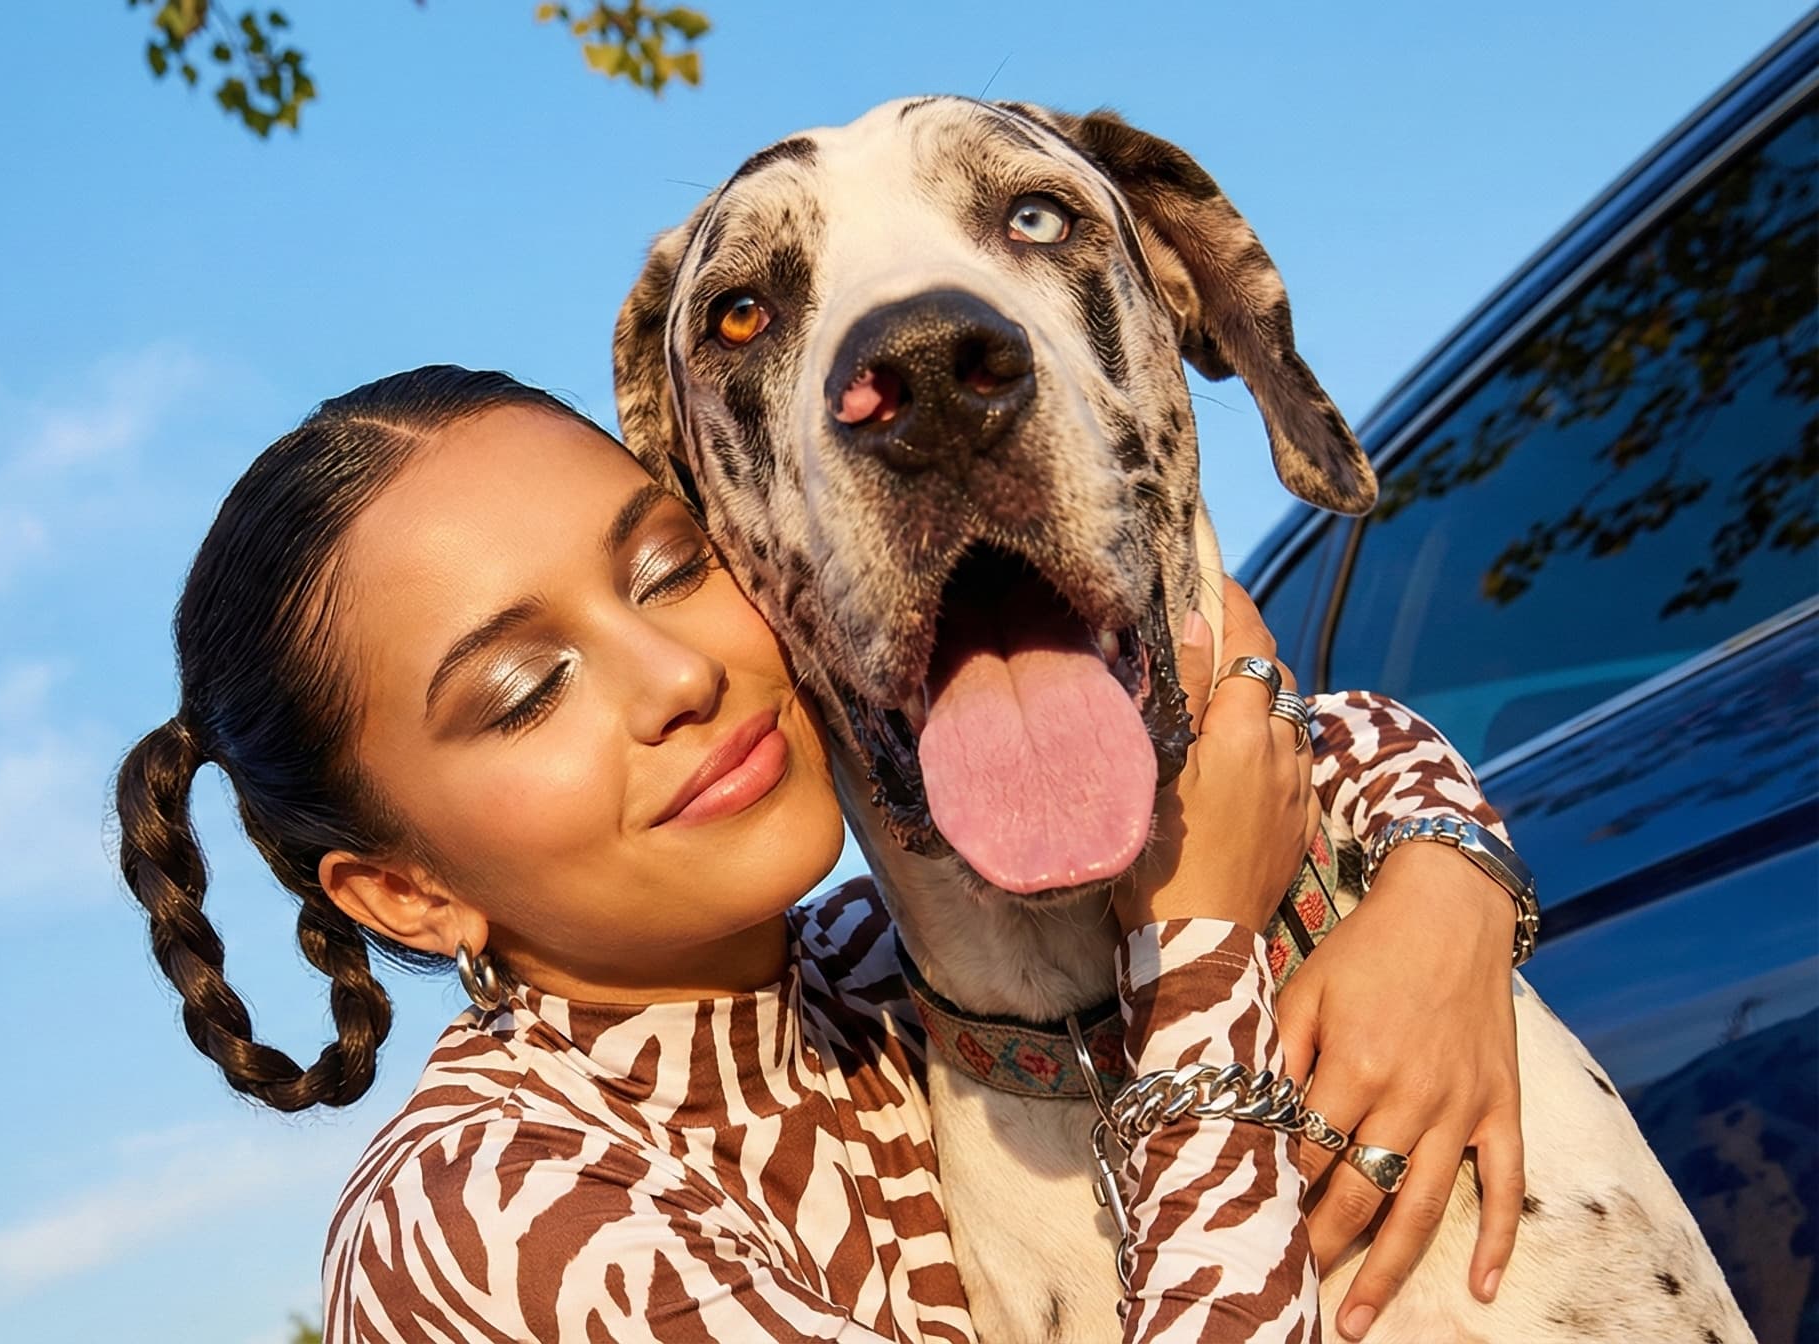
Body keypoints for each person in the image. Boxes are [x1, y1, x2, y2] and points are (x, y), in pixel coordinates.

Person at [111, 367, 1530, 1342]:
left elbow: (1292, 756)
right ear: (405, 891)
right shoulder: (486, 1217)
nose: (677, 673)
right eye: (527, 691)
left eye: (669, 568)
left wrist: (1439, 880)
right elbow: (1213, 880)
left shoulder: (871, 979)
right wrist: (1202, 958)